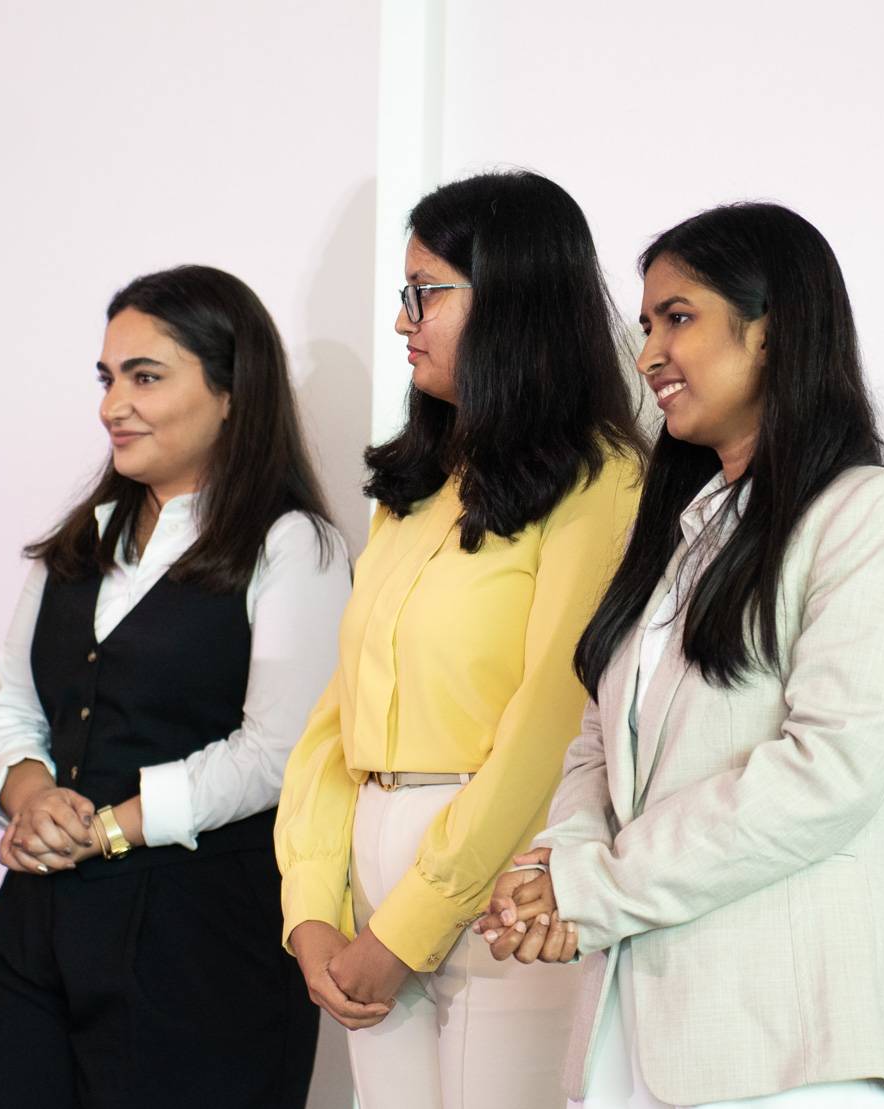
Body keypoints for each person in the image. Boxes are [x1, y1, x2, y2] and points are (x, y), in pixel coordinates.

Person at [479, 203, 884, 1107]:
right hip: (633, 1034)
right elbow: (594, 746)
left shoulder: (872, 519)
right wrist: (559, 867)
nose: (649, 351)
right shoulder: (683, 533)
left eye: (678, 318)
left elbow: (827, 773)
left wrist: (594, 885)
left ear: (772, 331)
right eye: (647, 323)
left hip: (793, 1047)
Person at [274, 169, 643, 1108]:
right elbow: (336, 717)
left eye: (425, 293)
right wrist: (311, 904)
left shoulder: (601, 480)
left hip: (501, 878)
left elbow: (549, 724)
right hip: (371, 872)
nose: (404, 320)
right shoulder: (422, 485)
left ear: (512, 302)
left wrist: (409, 924)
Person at [0, 264, 349, 1108]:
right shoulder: (83, 537)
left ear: (231, 391)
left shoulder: (293, 546)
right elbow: (10, 705)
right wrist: (28, 796)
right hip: (34, 939)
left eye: (145, 377)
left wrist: (110, 829)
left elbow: (277, 754)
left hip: (202, 949)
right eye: (107, 378)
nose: (112, 405)